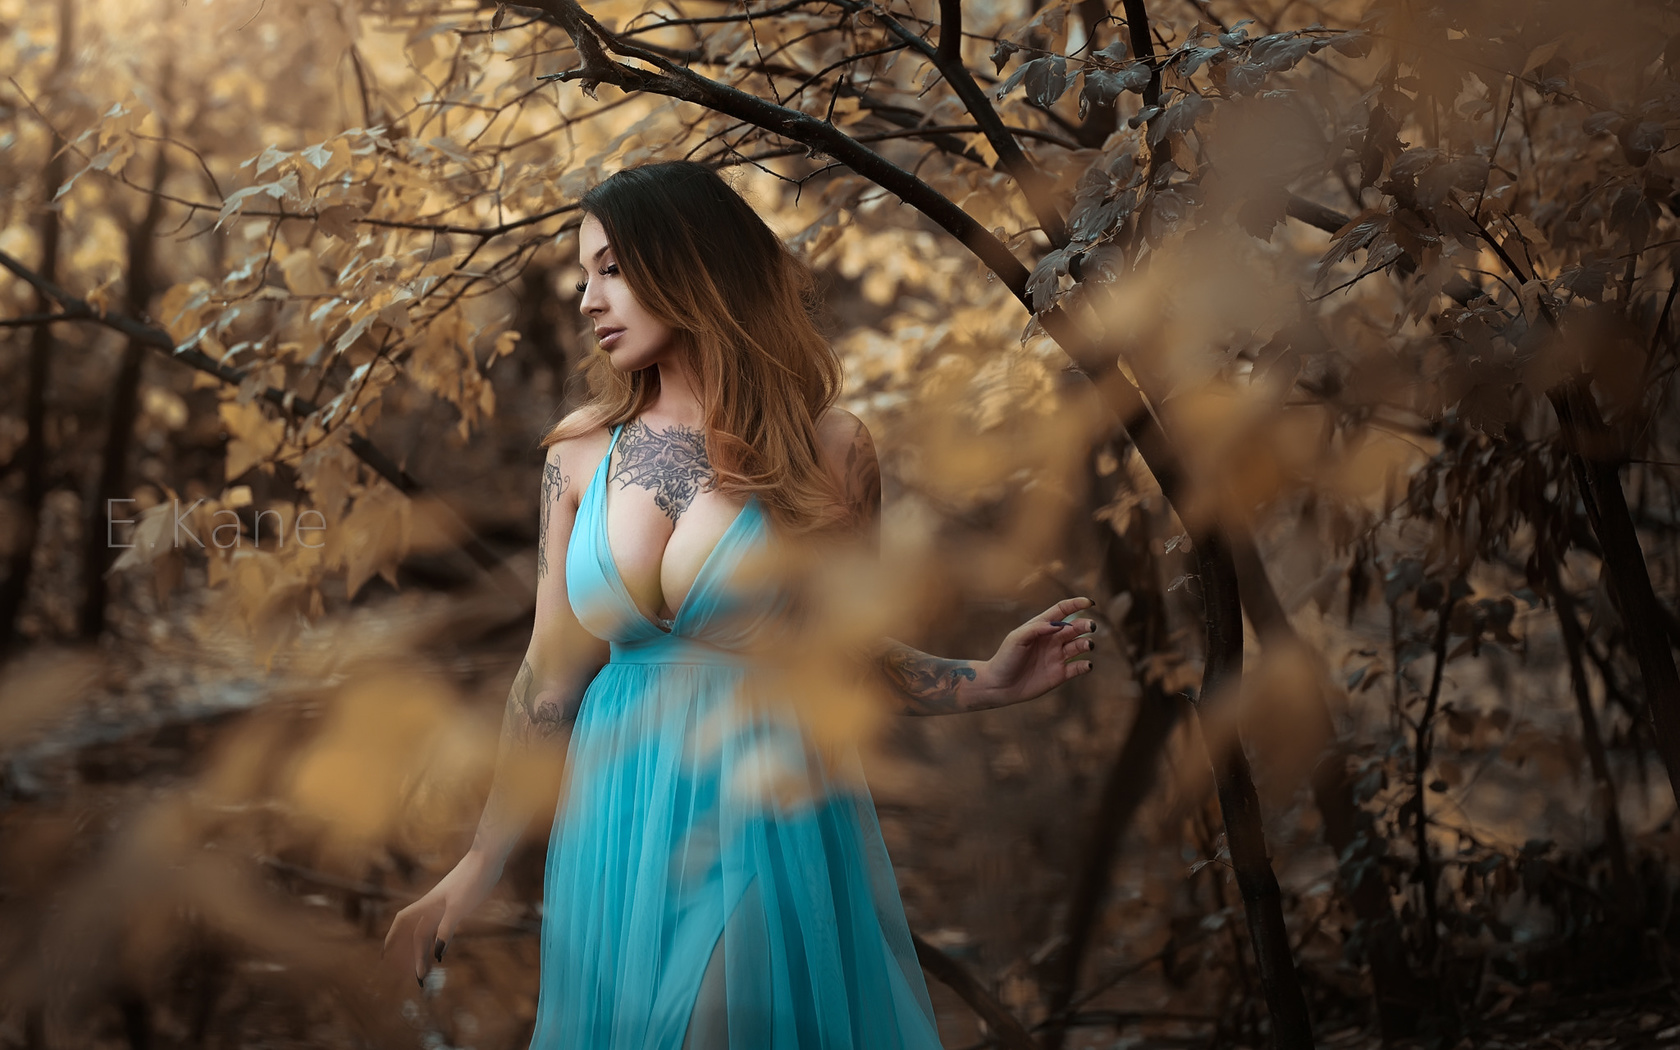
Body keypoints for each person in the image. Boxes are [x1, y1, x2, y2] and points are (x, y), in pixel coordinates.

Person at [383, 161, 1099, 1049]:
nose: (585, 299)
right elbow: (549, 677)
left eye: (612, 268)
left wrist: (982, 681)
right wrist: (474, 868)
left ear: (691, 265)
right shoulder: (575, 457)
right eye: (582, 275)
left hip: (767, 802)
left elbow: (849, 657)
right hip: (616, 821)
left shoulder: (832, 451)